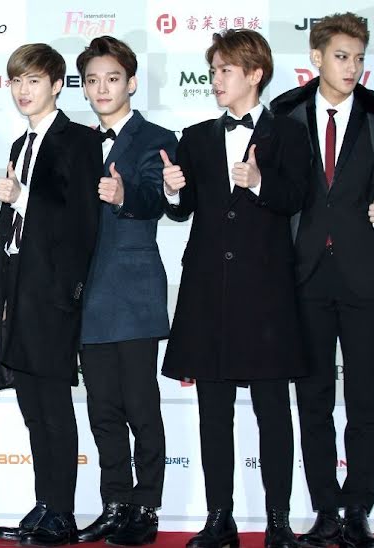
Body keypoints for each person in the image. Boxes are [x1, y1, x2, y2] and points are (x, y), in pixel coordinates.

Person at [160, 29, 312, 548]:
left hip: (266, 294)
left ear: (255, 74)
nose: (216, 80)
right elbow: (183, 209)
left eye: (225, 70)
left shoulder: (289, 133)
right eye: (213, 71)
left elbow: (296, 198)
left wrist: (259, 183)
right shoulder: (196, 135)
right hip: (207, 292)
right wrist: (172, 191)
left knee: (274, 411)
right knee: (212, 413)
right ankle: (218, 519)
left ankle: (278, 523)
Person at [270, 12, 374, 548]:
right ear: (316, 58)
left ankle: (358, 509)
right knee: (313, 401)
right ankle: (324, 510)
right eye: (342, 56)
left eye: (359, 58)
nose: (352, 67)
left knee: (365, 401)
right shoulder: (286, 114)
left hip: (366, 277)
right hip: (305, 277)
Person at [0, 43, 102, 547]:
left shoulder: (79, 141)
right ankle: (45, 504)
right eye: (16, 81)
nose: (23, 90)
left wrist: (23, 197)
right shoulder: (20, 144)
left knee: (54, 407)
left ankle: (64, 513)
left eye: (33, 80)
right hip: (18, 286)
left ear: (57, 85)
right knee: (32, 407)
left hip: (53, 292)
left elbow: (80, 220)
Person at [75, 35, 175, 546]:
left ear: (131, 83)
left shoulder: (157, 137)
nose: (102, 88)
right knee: (102, 409)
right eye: (92, 80)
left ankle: (147, 507)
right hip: (87, 294)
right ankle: (114, 503)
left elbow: (160, 199)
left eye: (112, 78)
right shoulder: (76, 142)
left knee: (141, 405)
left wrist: (123, 195)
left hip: (134, 293)